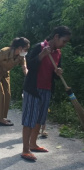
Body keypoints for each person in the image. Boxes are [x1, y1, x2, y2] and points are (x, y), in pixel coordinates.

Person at [21, 26, 71, 161]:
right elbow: (29, 66)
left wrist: (57, 73)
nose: (64, 44)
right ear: (56, 37)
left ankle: (33, 144)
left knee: (40, 118)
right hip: (33, 88)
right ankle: (25, 150)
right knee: (29, 118)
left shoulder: (58, 53)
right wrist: (41, 55)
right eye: (64, 41)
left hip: (47, 89)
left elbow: (53, 75)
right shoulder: (39, 47)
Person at [0, 37, 29, 126]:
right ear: (20, 48)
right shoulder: (5, 51)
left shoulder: (21, 56)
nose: (27, 51)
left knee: (8, 94)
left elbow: (24, 68)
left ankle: (2, 117)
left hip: (5, 72)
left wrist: (28, 76)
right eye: (26, 48)